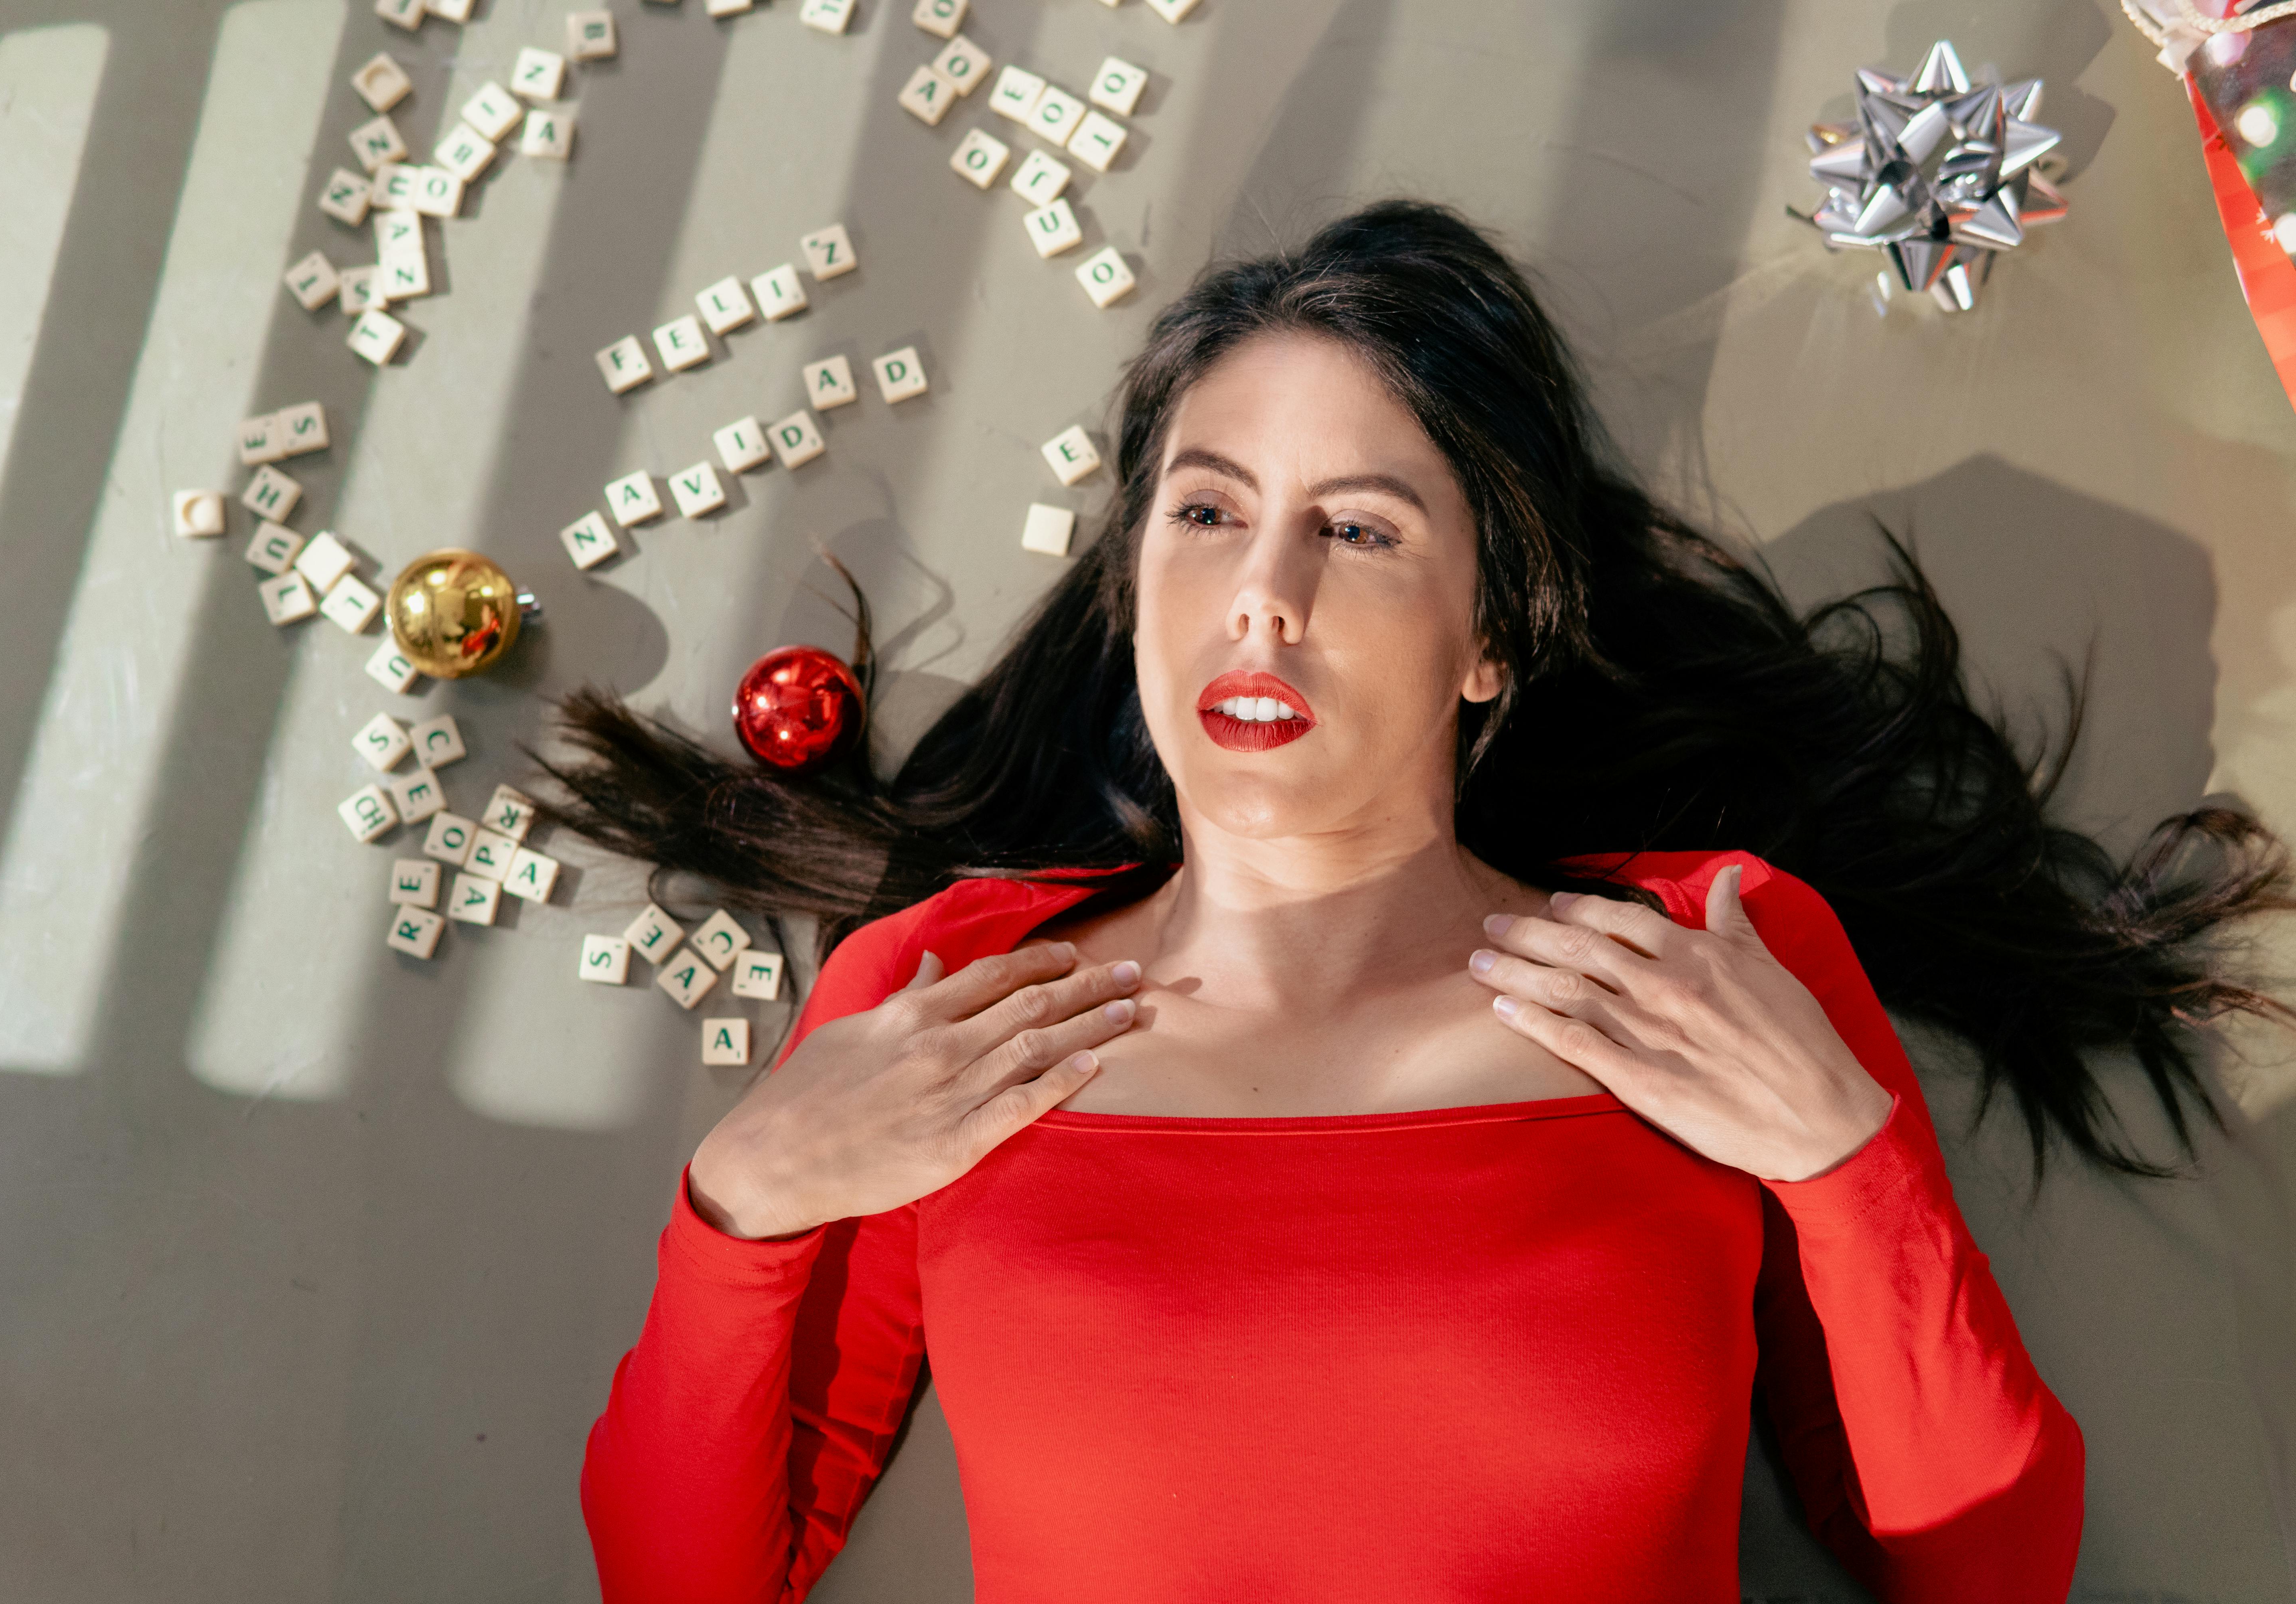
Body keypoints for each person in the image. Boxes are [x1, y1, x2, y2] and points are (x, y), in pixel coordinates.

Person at [543, 202, 2292, 1602]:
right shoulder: (945, 994)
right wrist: (745, 1196)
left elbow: (1982, 1565)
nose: (1262, 596)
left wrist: (1852, 1172)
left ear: (1493, 639)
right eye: (1207, 512)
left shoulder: (1709, 962)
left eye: (1361, 531)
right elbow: (688, 1575)